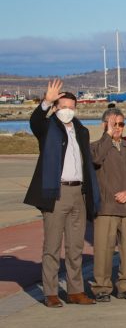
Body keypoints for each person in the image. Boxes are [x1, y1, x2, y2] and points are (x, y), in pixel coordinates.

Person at [25, 79, 100, 307]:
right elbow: (35, 122)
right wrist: (46, 101)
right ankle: (50, 292)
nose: (67, 110)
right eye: (63, 106)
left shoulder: (81, 130)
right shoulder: (48, 128)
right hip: (56, 192)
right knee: (52, 246)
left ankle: (76, 290)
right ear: (56, 108)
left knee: (76, 246)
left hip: (78, 192)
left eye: (71, 106)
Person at [90, 108, 126, 301]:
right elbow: (96, 159)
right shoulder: (95, 147)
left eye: (121, 124)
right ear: (104, 125)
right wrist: (107, 135)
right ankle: (101, 288)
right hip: (106, 207)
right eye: (114, 123)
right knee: (103, 249)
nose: (118, 128)